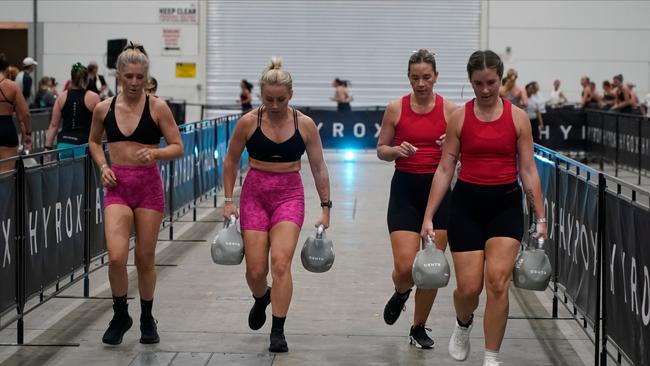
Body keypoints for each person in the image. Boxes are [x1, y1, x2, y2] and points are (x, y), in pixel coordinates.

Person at [420, 50, 547, 366]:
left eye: (491, 82)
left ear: (500, 79)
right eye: (479, 83)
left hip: (504, 206)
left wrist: (541, 216)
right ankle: (464, 323)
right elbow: (446, 168)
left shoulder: (517, 118)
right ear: (470, 81)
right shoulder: (460, 118)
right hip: (466, 206)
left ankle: (491, 357)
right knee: (469, 288)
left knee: (498, 282)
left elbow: (529, 170)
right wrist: (428, 216)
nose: (486, 89)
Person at [222, 57, 331, 353]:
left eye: (280, 99)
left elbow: (319, 167)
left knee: (281, 263)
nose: (274, 105)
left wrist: (326, 207)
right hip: (255, 194)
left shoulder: (304, 124)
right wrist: (229, 200)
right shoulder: (248, 122)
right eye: (268, 99)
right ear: (260, 95)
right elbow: (231, 161)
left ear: (291, 96)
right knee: (256, 271)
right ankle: (261, 297)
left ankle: (278, 330)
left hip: (289, 195)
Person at [88, 42, 183, 345]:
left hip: (148, 188)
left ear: (147, 76)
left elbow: (177, 146)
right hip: (118, 187)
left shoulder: (157, 107)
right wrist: (103, 165)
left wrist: (156, 154)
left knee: (144, 257)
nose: (133, 83)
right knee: (116, 257)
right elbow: (92, 142)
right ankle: (120, 314)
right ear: (118, 76)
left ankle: (146, 316)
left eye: (139, 77)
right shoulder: (104, 108)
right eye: (128, 77)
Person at [376, 49, 456, 349]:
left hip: (439, 193)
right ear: (408, 78)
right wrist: (396, 151)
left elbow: (464, 152)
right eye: (414, 78)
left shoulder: (451, 111)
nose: (420, 83)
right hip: (405, 192)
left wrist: (450, 144)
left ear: (436, 76)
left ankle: (418, 326)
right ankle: (400, 291)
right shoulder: (396, 109)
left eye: (426, 77)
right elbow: (381, 148)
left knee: (431, 270)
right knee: (406, 267)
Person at [45, 63, 100, 158]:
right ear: (87, 79)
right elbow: (100, 125)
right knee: (83, 173)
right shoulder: (93, 97)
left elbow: (54, 125)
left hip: (64, 144)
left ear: (72, 78)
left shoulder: (61, 97)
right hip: (83, 145)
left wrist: (47, 148)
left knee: (64, 173)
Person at [0, 53, 31, 172]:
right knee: (6, 176)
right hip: (6, 130)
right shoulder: (12, 86)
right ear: (6, 68)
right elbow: (25, 114)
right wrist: (27, 134)